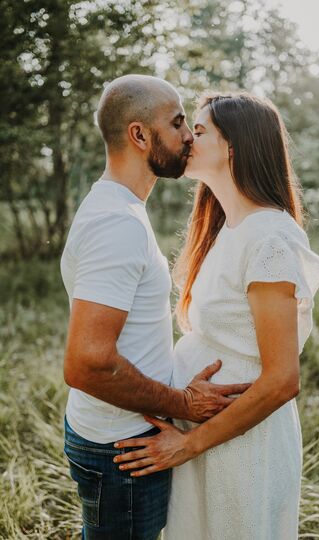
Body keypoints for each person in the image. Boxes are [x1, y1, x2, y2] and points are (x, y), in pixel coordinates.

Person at [112, 92, 319, 540]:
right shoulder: (226, 227)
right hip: (207, 440)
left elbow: (282, 379)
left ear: (234, 148)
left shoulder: (269, 239)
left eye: (201, 130)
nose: (188, 138)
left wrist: (187, 444)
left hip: (241, 444)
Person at [61, 76, 250, 540]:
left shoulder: (117, 207)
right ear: (140, 135)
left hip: (114, 433)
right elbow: (86, 363)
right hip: (121, 446)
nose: (189, 135)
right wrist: (182, 403)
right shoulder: (116, 225)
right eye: (178, 122)